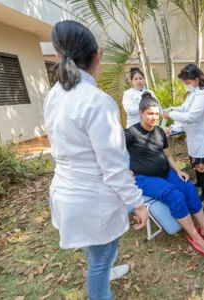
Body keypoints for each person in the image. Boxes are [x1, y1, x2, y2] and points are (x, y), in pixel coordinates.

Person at [44, 21, 148, 300]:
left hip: (67, 192)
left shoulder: (54, 96)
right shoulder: (97, 101)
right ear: (97, 56)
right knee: (101, 259)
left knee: (97, 253)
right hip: (91, 197)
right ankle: (102, 277)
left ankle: (104, 271)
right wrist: (138, 203)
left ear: (58, 55)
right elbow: (113, 169)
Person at [125, 93, 204, 251]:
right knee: (174, 195)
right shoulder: (130, 133)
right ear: (141, 112)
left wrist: (177, 171)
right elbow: (112, 153)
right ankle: (195, 236)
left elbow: (167, 154)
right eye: (150, 114)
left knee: (189, 187)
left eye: (156, 114)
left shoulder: (159, 132)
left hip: (166, 172)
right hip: (145, 178)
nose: (154, 117)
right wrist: (125, 170)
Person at [163, 64, 204, 201]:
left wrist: (170, 114)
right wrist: (172, 108)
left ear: (196, 80)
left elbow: (190, 116)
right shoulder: (194, 91)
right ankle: (199, 183)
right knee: (195, 162)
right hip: (195, 135)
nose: (186, 85)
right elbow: (185, 107)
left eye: (188, 82)